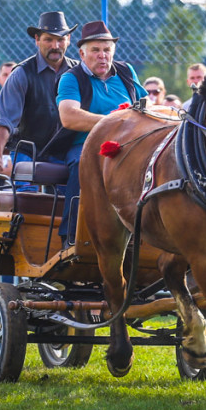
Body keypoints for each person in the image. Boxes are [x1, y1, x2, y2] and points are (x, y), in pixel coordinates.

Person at [55, 20, 147, 245]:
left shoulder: (126, 72)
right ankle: (72, 235)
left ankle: (148, 231)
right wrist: (115, 122)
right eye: (95, 50)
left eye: (107, 50)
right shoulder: (71, 78)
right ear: (82, 53)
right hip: (85, 145)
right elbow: (69, 116)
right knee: (80, 164)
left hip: (128, 144)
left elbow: (145, 106)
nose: (102, 55)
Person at [0, 11, 79, 181]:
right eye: (48, 39)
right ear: (37, 40)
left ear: (69, 39)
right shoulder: (21, 73)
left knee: (66, 200)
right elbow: (5, 120)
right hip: (27, 150)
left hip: (64, 151)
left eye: (60, 39)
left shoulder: (78, 72)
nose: (55, 45)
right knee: (27, 199)